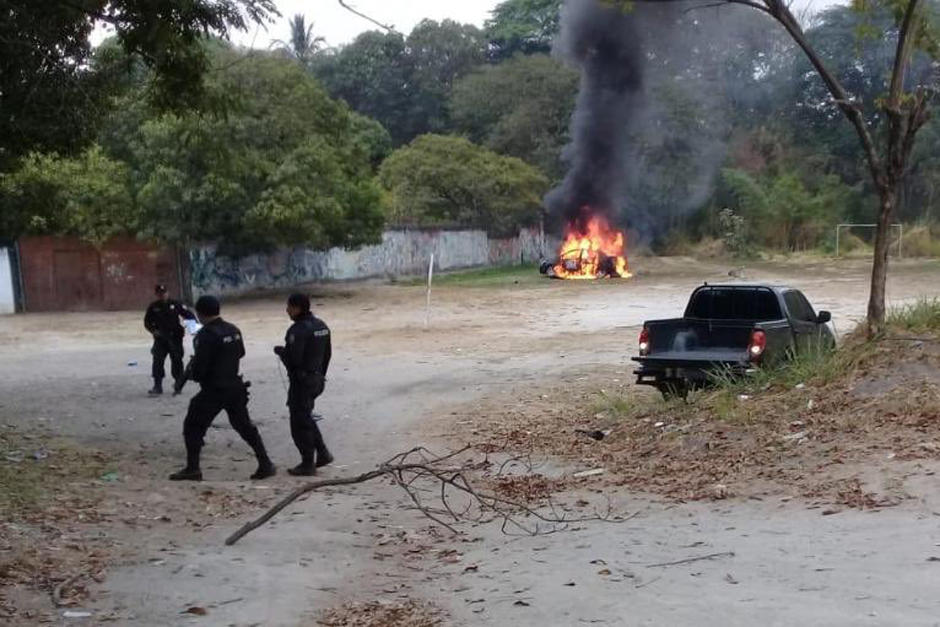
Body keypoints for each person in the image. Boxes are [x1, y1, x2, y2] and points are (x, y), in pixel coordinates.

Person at [169, 295, 276, 481]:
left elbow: (201, 369)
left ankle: (193, 468)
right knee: (244, 426)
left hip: (214, 389)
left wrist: (192, 373)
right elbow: (240, 353)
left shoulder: (206, 335)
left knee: (193, 426)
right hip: (234, 386)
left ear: (200, 313)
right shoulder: (233, 329)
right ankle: (265, 463)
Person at [274, 293, 334, 476]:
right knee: (306, 417)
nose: (287, 310)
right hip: (316, 379)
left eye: (290, 306)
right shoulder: (321, 326)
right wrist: (320, 375)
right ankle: (322, 452)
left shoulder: (297, 330)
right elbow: (327, 354)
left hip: (302, 381)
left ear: (298, 308)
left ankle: (308, 463)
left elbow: (294, 359)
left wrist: (282, 352)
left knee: (299, 423)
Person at [144, 284, 195, 396]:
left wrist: (191, 329)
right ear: (157, 294)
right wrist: (153, 331)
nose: (163, 295)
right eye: (160, 293)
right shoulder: (153, 307)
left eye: (164, 293)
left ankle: (178, 385)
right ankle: (157, 386)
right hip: (160, 338)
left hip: (175, 337)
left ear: (168, 293)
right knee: (157, 361)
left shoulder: (176, 304)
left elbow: (189, 316)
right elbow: (147, 322)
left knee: (177, 360)